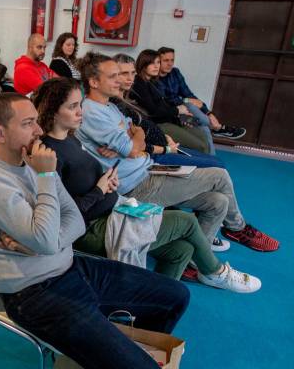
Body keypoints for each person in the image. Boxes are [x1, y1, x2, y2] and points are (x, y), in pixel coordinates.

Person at [0, 93, 190, 369]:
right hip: (34, 294)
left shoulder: (34, 161)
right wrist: (47, 180)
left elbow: (75, 219)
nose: (38, 130)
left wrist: (43, 242)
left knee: (176, 296)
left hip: (71, 268)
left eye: (37, 121)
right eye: (28, 123)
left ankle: (121, 353)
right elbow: (48, 239)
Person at [36, 77, 261, 290]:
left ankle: (150, 305)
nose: (80, 111)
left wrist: (107, 180)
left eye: (79, 104)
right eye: (72, 107)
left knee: (182, 250)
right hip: (92, 228)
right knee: (186, 221)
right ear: (53, 112)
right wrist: (100, 189)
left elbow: (85, 177)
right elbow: (61, 215)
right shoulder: (50, 153)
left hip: (112, 208)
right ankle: (215, 272)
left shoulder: (70, 138)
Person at [75, 51, 279, 252]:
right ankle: (237, 228)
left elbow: (136, 132)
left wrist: (133, 138)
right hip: (136, 185)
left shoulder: (109, 106)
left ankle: (195, 259)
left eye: (121, 75)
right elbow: (131, 147)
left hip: (148, 169)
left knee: (218, 202)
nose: (120, 81)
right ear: (93, 82)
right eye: (113, 76)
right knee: (219, 175)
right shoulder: (92, 111)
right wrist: (132, 141)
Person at [113, 53, 225, 168]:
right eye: (124, 73)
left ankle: (215, 127)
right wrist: (166, 147)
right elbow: (153, 115)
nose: (130, 78)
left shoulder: (156, 82)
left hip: (166, 135)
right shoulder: (132, 92)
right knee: (214, 161)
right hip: (158, 147)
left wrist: (173, 125)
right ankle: (218, 128)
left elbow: (170, 101)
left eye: (132, 73)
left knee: (203, 128)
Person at [130, 49, 213, 154]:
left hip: (172, 118)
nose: (156, 66)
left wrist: (181, 114)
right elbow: (154, 111)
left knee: (202, 130)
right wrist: (178, 111)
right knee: (202, 146)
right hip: (160, 124)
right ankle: (209, 165)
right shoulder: (139, 84)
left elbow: (166, 103)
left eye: (158, 62)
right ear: (143, 64)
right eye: (152, 63)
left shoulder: (153, 82)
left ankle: (214, 162)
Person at [158, 47, 245, 139]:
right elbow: (168, 100)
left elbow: (188, 94)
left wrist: (208, 113)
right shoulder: (154, 79)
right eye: (166, 60)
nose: (170, 64)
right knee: (190, 105)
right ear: (158, 61)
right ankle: (218, 128)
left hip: (185, 114)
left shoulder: (175, 72)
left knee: (204, 128)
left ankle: (213, 142)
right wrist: (186, 100)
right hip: (172, 116)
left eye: (172, 60)